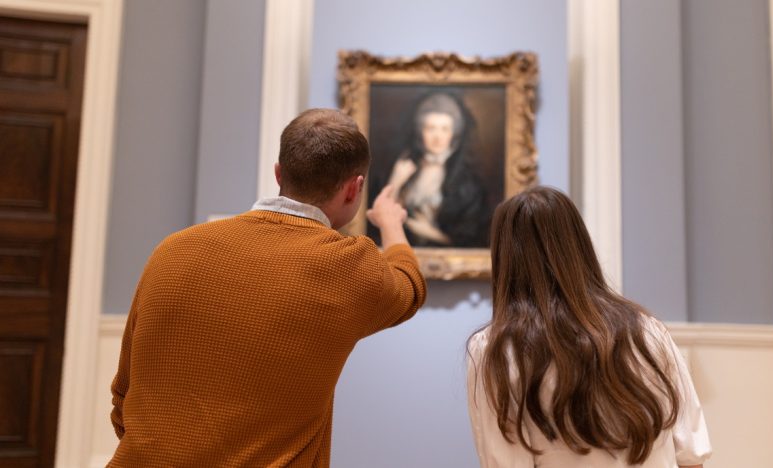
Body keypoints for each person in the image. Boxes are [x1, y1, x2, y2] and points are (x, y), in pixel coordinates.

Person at [108, 109, 426, 467]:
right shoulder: (349, 267)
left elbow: (124, 394)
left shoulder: (173, 249)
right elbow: (410, 287)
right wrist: (390, 223)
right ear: (354, 188)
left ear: (279, 173)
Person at [466, 187, 711, 468]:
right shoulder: (647, 331)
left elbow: (506, 464)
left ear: (504, 258)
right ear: (578, 246)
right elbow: (691, 456)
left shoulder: (495, 349)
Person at [385, 92, 488, 247]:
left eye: (444, 129)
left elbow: (470, 239)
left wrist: (430, 232)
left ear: (453, 134)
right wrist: (395, 181)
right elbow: (384, 217)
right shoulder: (407, 169)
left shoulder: (467, 181)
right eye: (431, 128)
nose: (437, 137)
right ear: (421, 132)